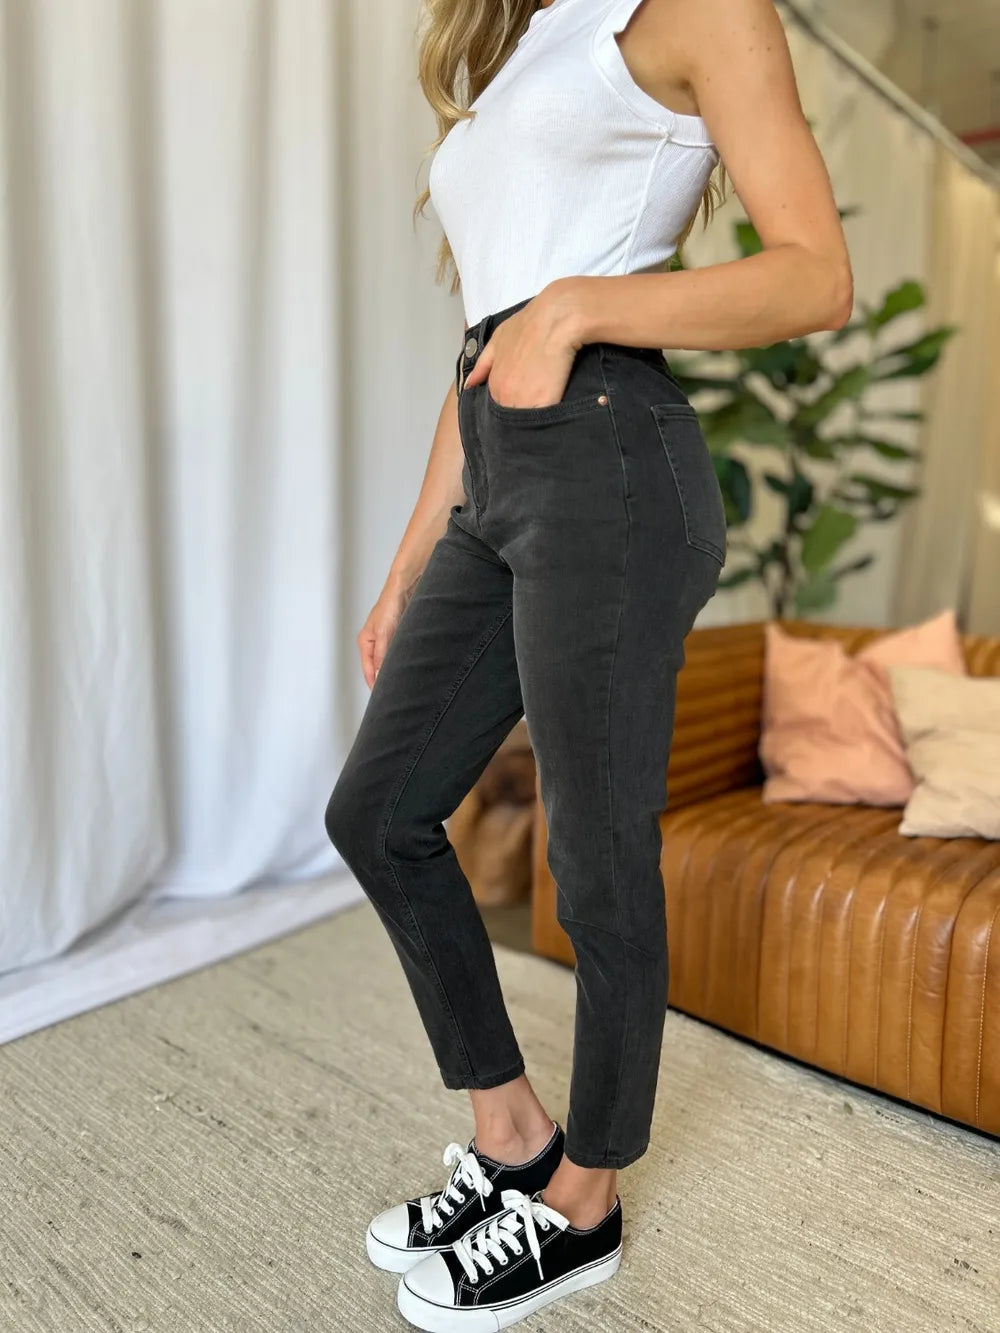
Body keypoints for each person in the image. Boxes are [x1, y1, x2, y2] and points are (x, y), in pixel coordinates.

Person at [325, 0, 852, 1326]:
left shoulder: (695, 11)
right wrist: (406, 566)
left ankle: (585, 1200)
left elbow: (815, 275)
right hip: (502, 463)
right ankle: (513, 1137)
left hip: (614, 454)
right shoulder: (520, 41)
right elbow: (485, 352)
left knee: (595, 846)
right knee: (378, 812)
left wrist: (578, 305)